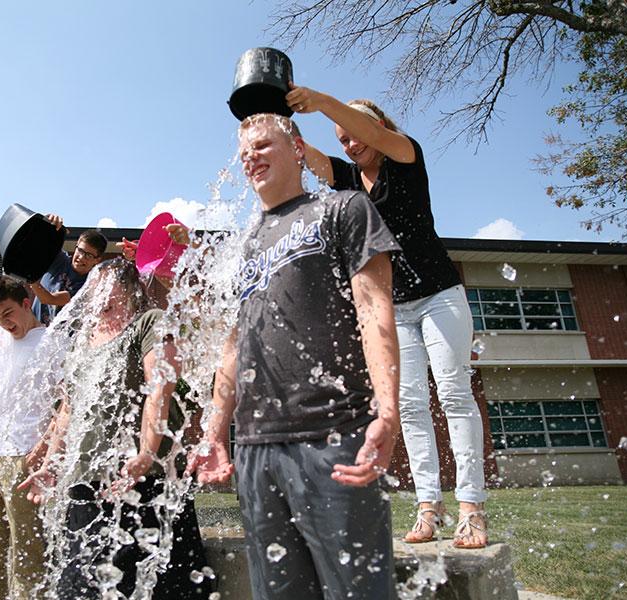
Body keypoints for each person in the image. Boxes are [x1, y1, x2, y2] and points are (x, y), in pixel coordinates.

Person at [191, 113, 401, 600]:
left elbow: (374, 311)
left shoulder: (345, 210)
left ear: (299, 149)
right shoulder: (241, 248)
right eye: (244, 152)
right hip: (256, 451)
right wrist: (215, 431)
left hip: (335, 437)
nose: (251, 158)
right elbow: (233, 345)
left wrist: (387, 412)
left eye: (263, 145)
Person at [285, 84, 488, 548]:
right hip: (394, 306)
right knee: (412, 407)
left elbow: (365, 129)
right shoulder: (351, 181)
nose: (350, 144)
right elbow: (304, 153)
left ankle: (472, 508)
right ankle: (428, 507)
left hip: (440, 294)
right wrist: (280, 120)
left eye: (354, 134)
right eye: (342, 140)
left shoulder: (404, 155)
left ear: (377, 129)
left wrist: (324, 102)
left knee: (455, 393)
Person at [20, 258, 211, 600]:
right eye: (94, 290)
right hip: (86, 480)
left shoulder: (148, 323)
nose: (100, 297)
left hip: (144, 478)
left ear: (131, 291)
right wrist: (51, 462)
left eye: (109, 289)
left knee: (154, 584)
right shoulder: (83, 340)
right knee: (81, 585)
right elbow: (68, 409)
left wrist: (146, 451)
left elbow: (159, 388)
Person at [0, 275, 56, 600]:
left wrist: (45, 452)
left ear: (26, 303)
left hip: (25, 459)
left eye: (7, 313)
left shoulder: (52, 342)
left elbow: (67, 404)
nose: (3, 323)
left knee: (29, 556)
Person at [31, 214, 108, 324]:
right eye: (80, 250)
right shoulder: (59, 259)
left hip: (54, 339)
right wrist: (47, 225)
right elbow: (37, 242)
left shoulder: (88, 286)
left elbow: (49, 299)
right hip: (33, 330)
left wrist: (30, 278)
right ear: (76, 246)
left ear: (97, 260)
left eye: (88, 255)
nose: (81, 258)